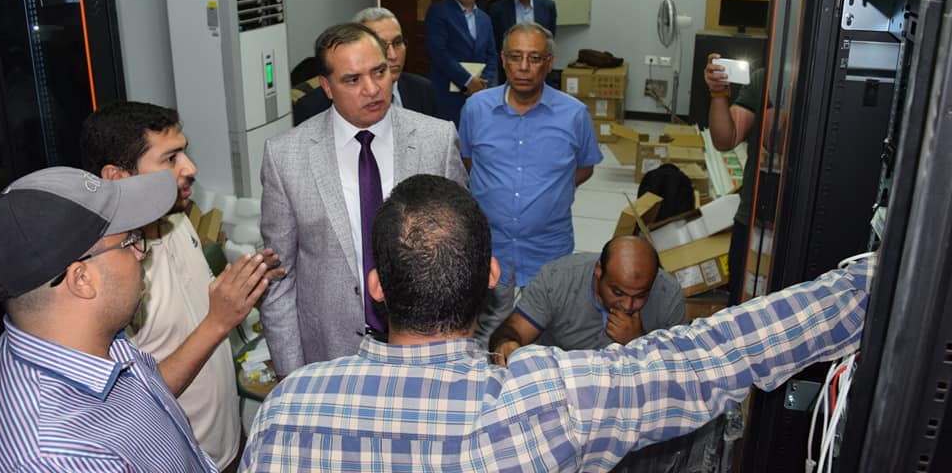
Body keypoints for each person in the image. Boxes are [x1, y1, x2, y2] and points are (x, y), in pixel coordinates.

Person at [240, 174, 874, 473]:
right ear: (491, 277)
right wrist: (870, 282)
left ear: (377, 287)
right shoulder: (547, 400)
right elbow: (712, 353)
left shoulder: (288, 409)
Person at [79, 101, 279, 473]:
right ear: (117, 177)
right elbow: (129, 403)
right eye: (170, 159)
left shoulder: (175, 218)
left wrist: (243, 286)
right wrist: (218, 321)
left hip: (228, 445)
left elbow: (189, 315)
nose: (190, 168)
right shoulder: (104, 275)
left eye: (184, 152)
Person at [259, 22, 468, 376]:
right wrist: (290, 376)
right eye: (352, 80)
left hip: (426, 351)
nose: (372, 89)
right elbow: (279, 278)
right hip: (330, 356)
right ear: (326, 86)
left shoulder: (437, 140)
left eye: (379, 72)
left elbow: (462, 253)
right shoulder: (285, 157)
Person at [0, 167, 218, 472]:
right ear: (82, 279)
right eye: (130, 241)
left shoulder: (86, 338)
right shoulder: (57, 458)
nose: (141, 253)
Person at [459, 22, 602, 339]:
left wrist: (550, 195)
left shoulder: (574, 115)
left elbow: (584, 167)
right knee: (482, 335)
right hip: (490, 246)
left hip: (548, 247)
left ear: (549, 63)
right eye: (515, 56)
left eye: (534, 58)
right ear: (503, 60)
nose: (523, 67)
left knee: (548, 336)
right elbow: (469, 163)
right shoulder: (476, 109)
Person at [489, 236, 684, 365]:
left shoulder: (668, 295)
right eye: (618, 292)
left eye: (640, 296)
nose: (628, 305)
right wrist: (506, 344)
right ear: (599, 271)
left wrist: (639, 342)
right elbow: (512, 331)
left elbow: (680, 368)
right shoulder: (557, 279)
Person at [293, 7, 436, 124]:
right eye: (381, 45)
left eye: (397, 42)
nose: (392, 55)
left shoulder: (423, 90)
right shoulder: (311, 108)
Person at [705, 54, 767, 305]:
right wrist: (718, 93)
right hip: (755, 218)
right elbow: (725, 139)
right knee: (742, 302)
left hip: (800, 223)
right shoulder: (764, 80)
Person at [424, 0, 498, 125]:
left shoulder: (485, 19)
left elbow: (492, 54)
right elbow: (438, 52)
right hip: (446, 94)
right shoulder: (439, 11)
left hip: (478, 95)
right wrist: (467, 81)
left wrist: (482, 82)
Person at [488, 0, 557, 84]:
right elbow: (496, 44)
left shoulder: (548, 7)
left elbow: (550, 39)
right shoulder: (498, 10)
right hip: (510, 72)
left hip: (540, 69)